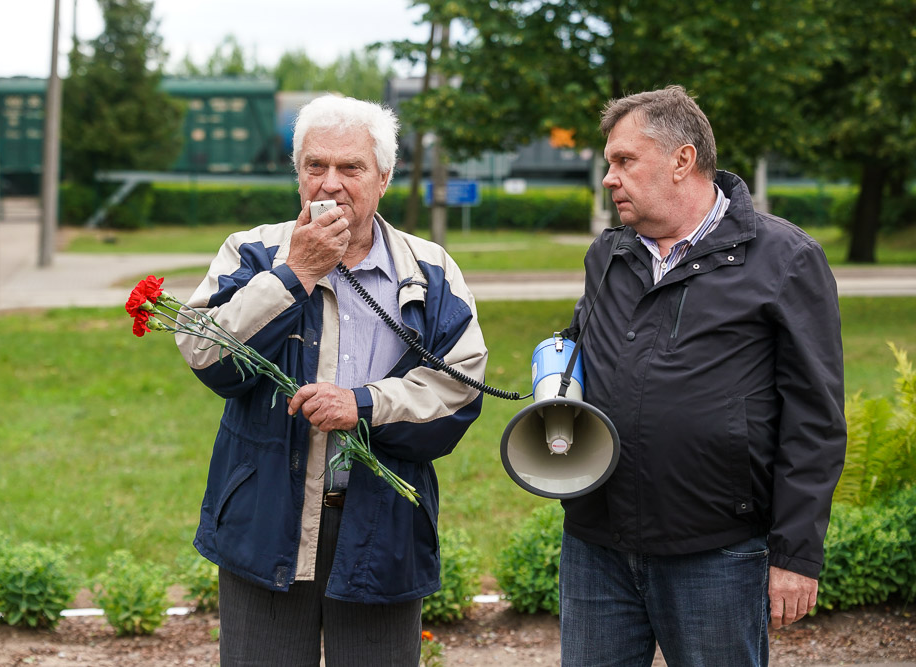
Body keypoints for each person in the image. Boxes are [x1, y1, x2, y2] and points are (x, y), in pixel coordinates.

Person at [176, 95, 487, 666]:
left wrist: (363, 405)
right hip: (266, 518)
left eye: (351, 168)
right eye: (315, 166)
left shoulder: (430, 268)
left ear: (384, 178)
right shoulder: (253, 251)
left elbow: (460, 387)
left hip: (381, 528)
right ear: (297, 173)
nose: (330, 184)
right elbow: (204, 351)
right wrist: (296, 273)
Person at [559, 86, 846, 666]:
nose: (609, 178)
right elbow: (587, 350)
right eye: (608, 163)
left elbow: (815, 420)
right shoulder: (608, 254)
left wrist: (795, 555)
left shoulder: (785, 259)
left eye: (623, 161)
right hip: (597, 544)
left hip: (717, 553)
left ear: (682, 160)